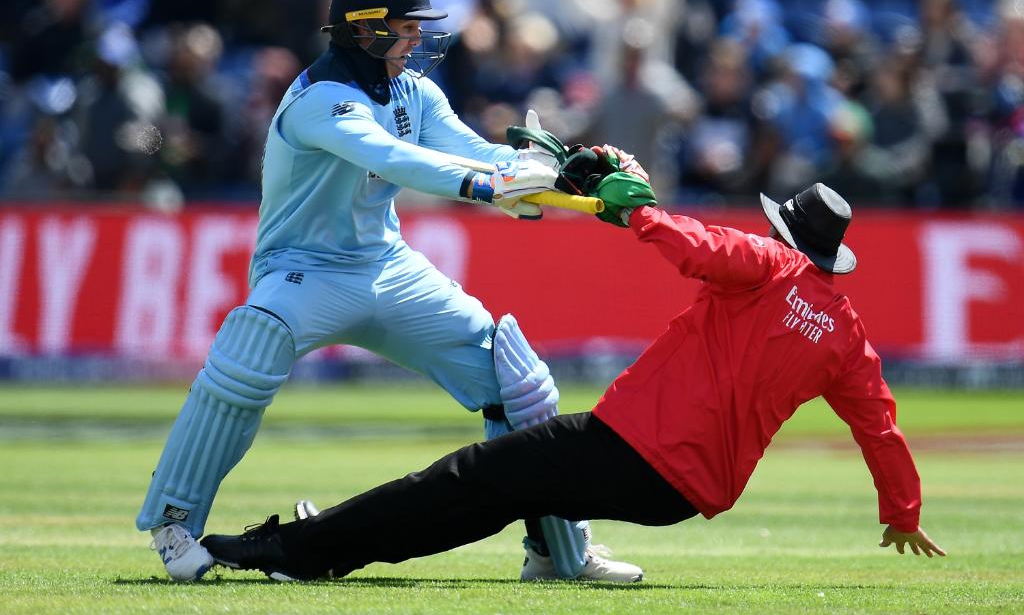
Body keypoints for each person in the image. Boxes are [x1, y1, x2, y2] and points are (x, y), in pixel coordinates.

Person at [138, 0, 642, 584]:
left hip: (385, 264)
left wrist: (559, 171)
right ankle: (175, 524)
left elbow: (476, 151)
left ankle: (558, 552)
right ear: (366, 29)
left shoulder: (414, 91)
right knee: (249, 351)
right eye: (405, 29)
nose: (416, 41)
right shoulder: (318, 102)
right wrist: (492, 186)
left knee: (518, 382)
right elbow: (395, 158)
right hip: (302, 270)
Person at [198, 177, 947, 581]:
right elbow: (880, 426)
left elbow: (700, 247)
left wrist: (633, 213)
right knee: (495, 492)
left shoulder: (767, 265)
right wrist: (903, 512)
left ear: (786, 234)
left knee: (467, 478)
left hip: (630, 447)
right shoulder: (846, 336)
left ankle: (297, 552)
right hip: (683, 496)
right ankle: (540, 554)